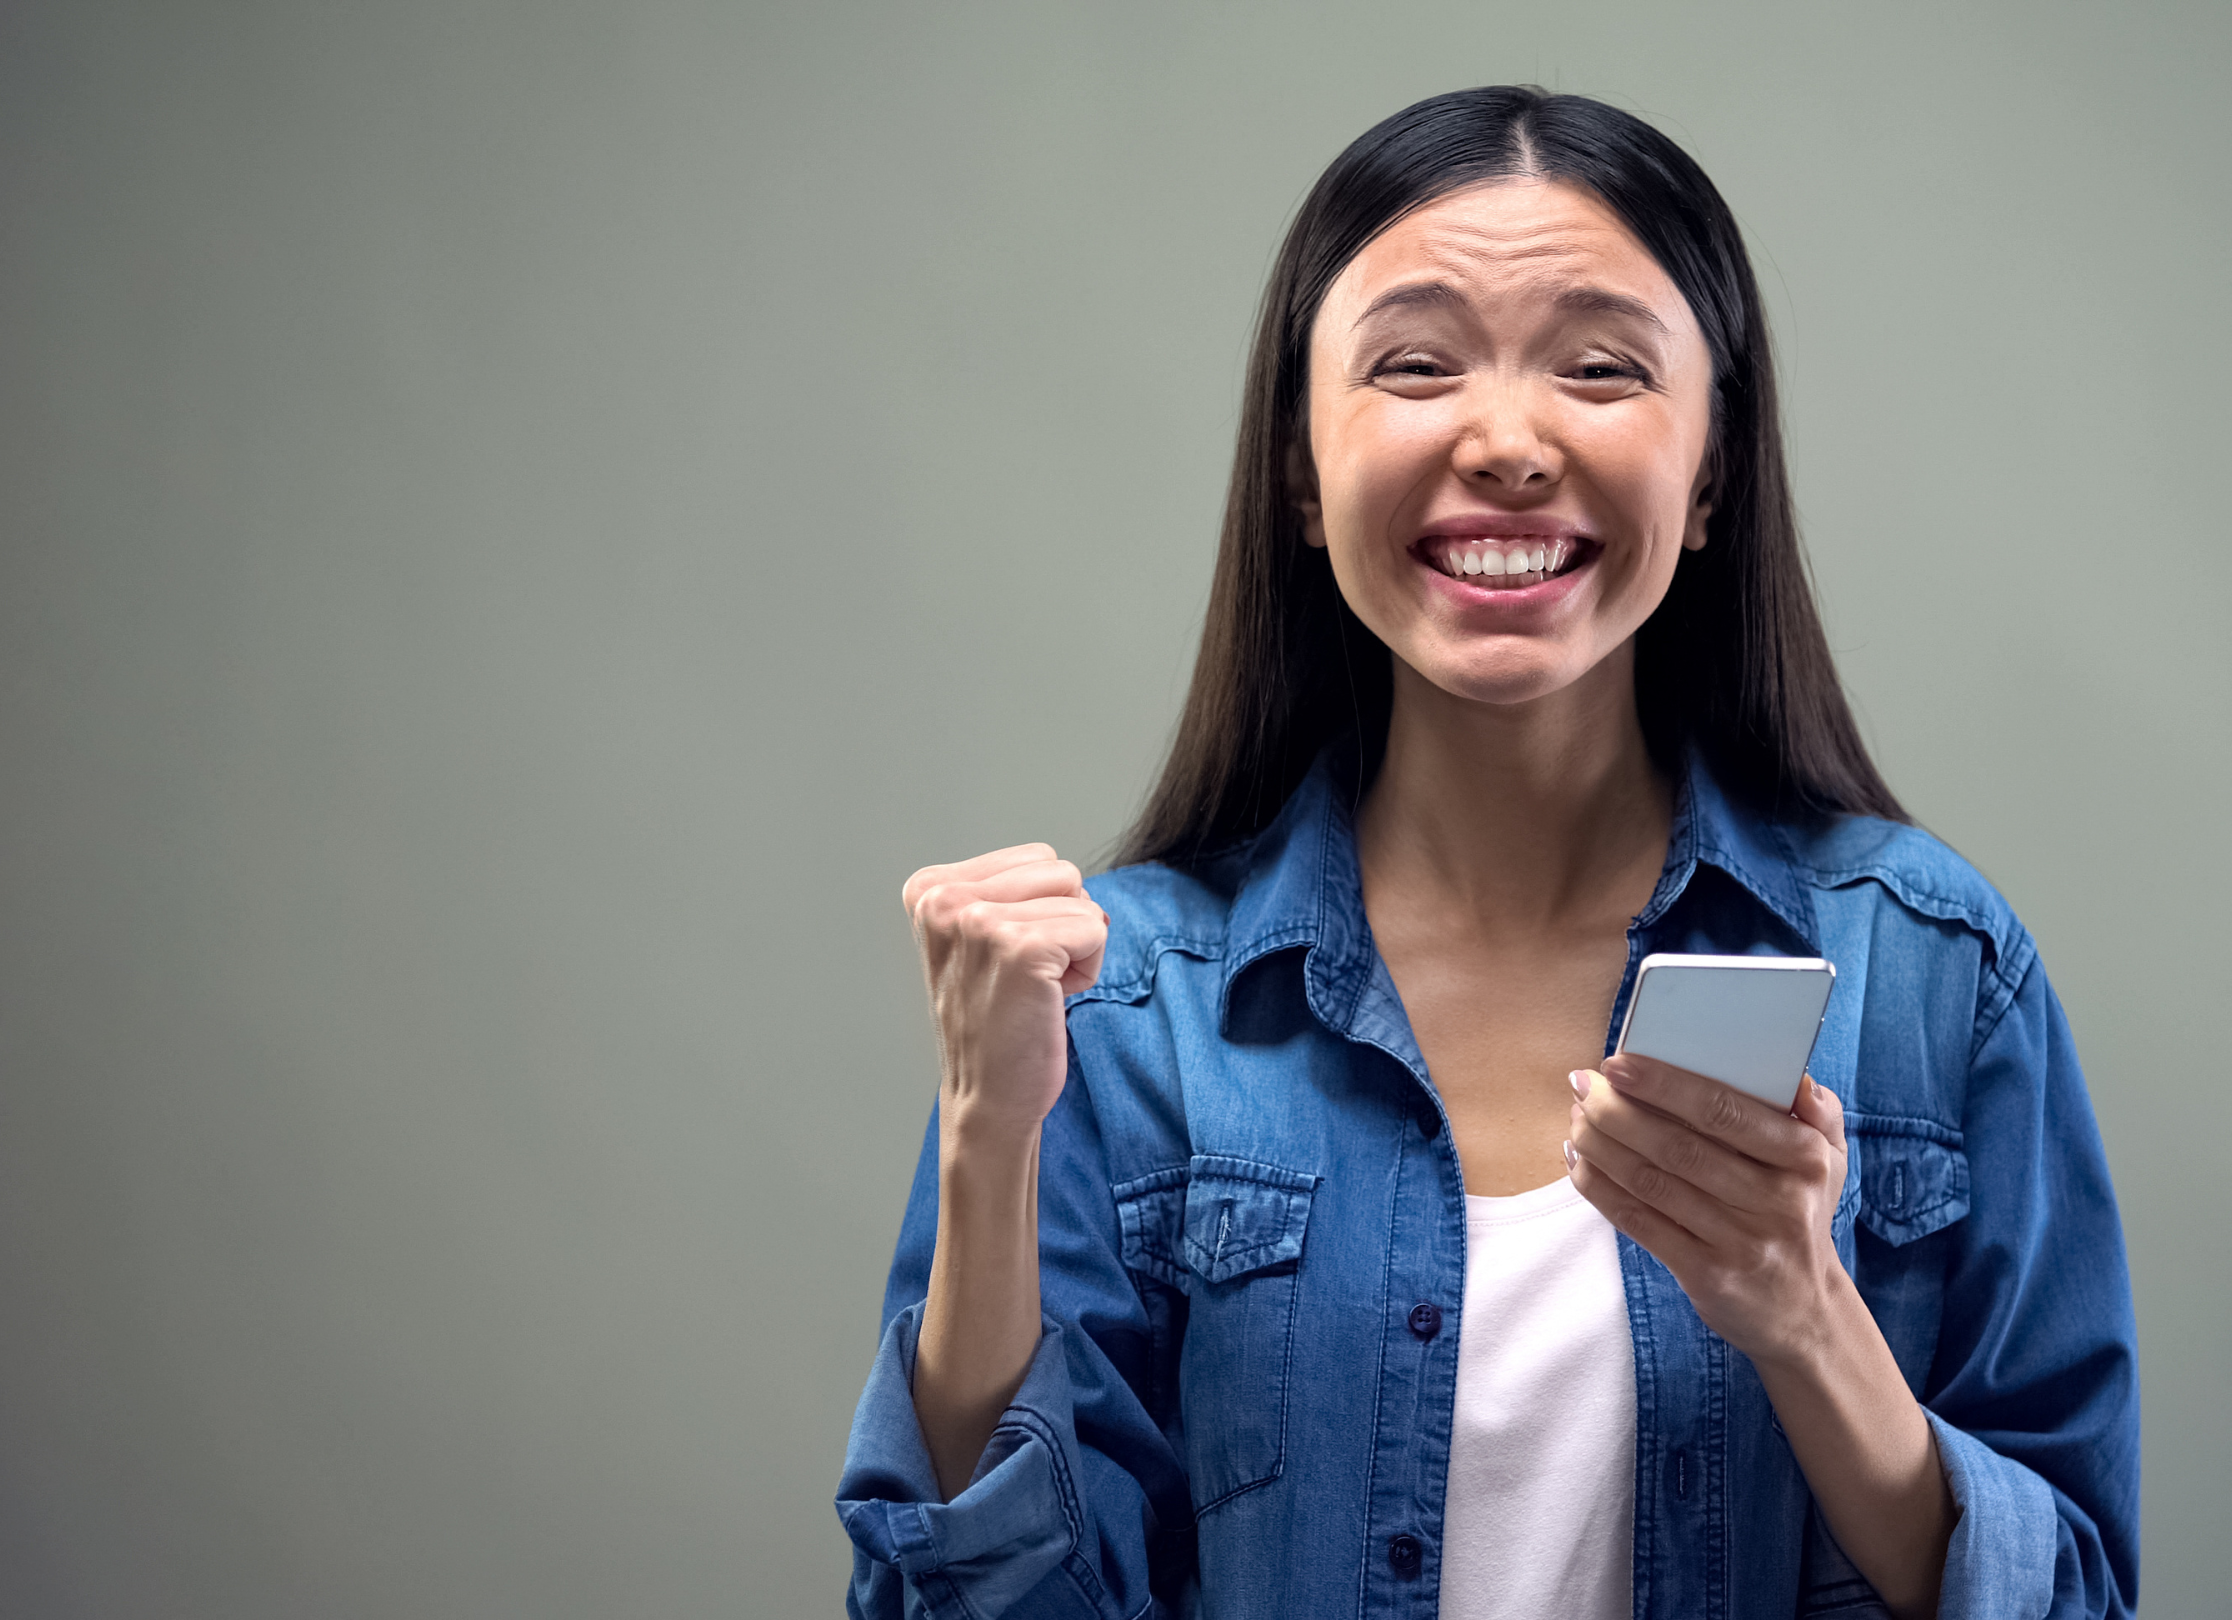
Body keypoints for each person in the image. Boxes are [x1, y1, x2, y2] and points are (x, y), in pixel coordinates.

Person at [836, 86, 2137, 1620]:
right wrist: (991, 1142)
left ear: (1712, 472)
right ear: (1303, 479)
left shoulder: (1932, 972)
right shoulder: (1118, 1013)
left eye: (1599, 368)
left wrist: (1805, 1319)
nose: (1508, 441)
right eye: (1413, 364)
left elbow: (2077, 1600)